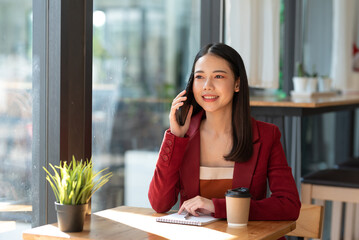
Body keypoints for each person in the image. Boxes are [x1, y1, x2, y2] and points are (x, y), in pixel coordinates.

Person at [148, 43, 301, 224]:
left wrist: (217, 207)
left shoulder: (267, 135)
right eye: (200, 77)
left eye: (218, 76)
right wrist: (175, 137)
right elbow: (159, 204)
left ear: (237, 83)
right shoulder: (183, 137)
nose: (207, 85)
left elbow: (289, 205)